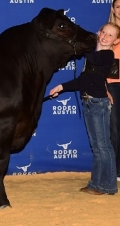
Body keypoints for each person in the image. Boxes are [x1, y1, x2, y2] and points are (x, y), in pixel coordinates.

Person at [49, 22, 120, 195]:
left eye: (110, 35)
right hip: (89, 102)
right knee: (97, 146)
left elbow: (94, 58)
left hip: (98, 104)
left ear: (115, 41)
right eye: (103, 32)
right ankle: (96, 183)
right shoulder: (94, 55)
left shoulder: (107, 55)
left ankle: (109, 185)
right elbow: (82, 81)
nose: (105, 36)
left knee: (104, 146)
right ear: (99, 32)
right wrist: (62, 87)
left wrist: (84, 43)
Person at [107, 0, 120, 181]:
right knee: (115, 128)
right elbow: (99, 63)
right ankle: (115, 170)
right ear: (113, 9)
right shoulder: (107, 31)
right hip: (113, 85)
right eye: (118, 7)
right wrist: (104, 87)